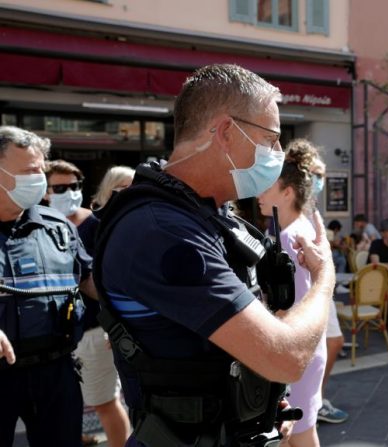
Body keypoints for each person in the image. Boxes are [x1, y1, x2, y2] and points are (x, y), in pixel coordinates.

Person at [95, 64, 335, 446]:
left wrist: (261, 407)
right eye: (271, 138)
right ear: (225, 132)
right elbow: (286, 357)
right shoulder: (165, 231)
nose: (276, 153)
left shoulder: (204, 213)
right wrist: (325, 280)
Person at [0, 126, 97, 447]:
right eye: (29, 171)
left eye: (40, 169)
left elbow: (89, 280)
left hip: (56, 371)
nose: (38, 179)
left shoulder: (57, 227)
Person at [45, 161, 131, 447]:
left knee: (105, 402)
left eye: (74, 186)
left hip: (94, 331)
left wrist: (118, 319)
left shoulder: (93, 225)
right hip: (56, 337)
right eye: (60, 188)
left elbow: (102, 280)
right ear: (45, 191)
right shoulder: (37, 225)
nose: (69, 193)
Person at [258, 138, 332, 445]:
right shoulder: (289, 230)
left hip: (295, 351)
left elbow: (291, 304)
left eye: (267, 186)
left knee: (300, 434)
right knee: (297, 434)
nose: (259, 192)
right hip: (304, 349)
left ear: (287, 192)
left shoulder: (290, 237)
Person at [306, 154, 350, 424]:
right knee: (323, 346)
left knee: (331, 343)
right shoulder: (297, 209)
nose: (319, 181)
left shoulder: (311, 208)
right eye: (315, 175)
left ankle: (314, 400)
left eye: (322, 176)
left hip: (321, 288)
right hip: (312, 290)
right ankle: (312, 402)